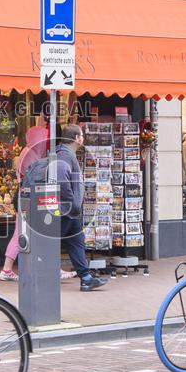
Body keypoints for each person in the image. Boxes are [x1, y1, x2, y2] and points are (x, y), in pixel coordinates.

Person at [56, 124, 107, 292]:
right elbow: (62, 180)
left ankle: (86, 279)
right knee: (52, 244)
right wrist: (71, 202)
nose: (83, 138)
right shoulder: (64, 155)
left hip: (71, 211)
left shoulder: (67, 153)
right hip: (66, 210)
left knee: (77, 243)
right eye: (82, 135)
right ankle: (41, 278)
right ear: (76, 138)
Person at [0, 122, 49, 281]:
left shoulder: (27, 151)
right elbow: (34, 178)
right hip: (27, 196)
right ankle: (7, 269)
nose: (44, 142)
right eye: (43, 139)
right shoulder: (31, 154)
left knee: (24, 232)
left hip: (23, 195)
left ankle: (11, 269)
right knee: (25, 232)